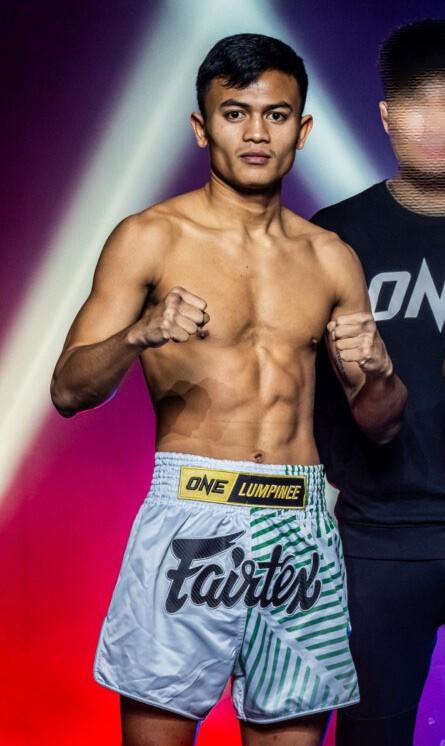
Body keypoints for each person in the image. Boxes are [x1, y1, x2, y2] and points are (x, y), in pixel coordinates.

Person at [51, 33, 406, 746]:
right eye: (234, 113)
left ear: (303, 129)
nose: (256, 133)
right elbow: (68, 391)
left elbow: (382, 425)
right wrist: (139, 334)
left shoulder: (330, 258)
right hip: (192, 515)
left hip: (299, 524)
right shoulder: (151, 238)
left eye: (276, 115)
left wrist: (378, 373)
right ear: (201, 126)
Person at [311, 19, 445, 746]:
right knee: (372, 733)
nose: (435, 125)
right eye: (418, 105)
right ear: (387, 117)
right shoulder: (334, 236)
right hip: (378, 537)